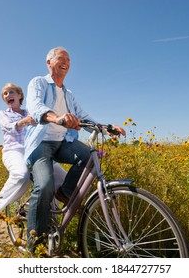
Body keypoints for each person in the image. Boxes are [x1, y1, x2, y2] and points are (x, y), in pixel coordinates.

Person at [24, 47, 126, 243]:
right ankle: (34, 242)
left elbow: (85, 118)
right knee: (44, 185)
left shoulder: (68, 94)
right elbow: (35, 107)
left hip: (62, 141)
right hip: (41, 143)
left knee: (89, 156)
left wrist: (108, 128)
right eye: (61, 58)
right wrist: (57, 118)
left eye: (69, 60)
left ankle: (65, 193)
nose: (66, 62)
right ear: (49, 62)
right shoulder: (38, 82)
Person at [0, 83, 66, 213]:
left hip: (34, 148)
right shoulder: (2, 114)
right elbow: (9, 127)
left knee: (63, 178)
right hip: (14, 150)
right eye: (5, 94)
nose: (8, 95)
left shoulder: (31, 112)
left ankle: (43, 208)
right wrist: (25, 121)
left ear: (20, 95)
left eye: (11, 92)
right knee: (22, 175)